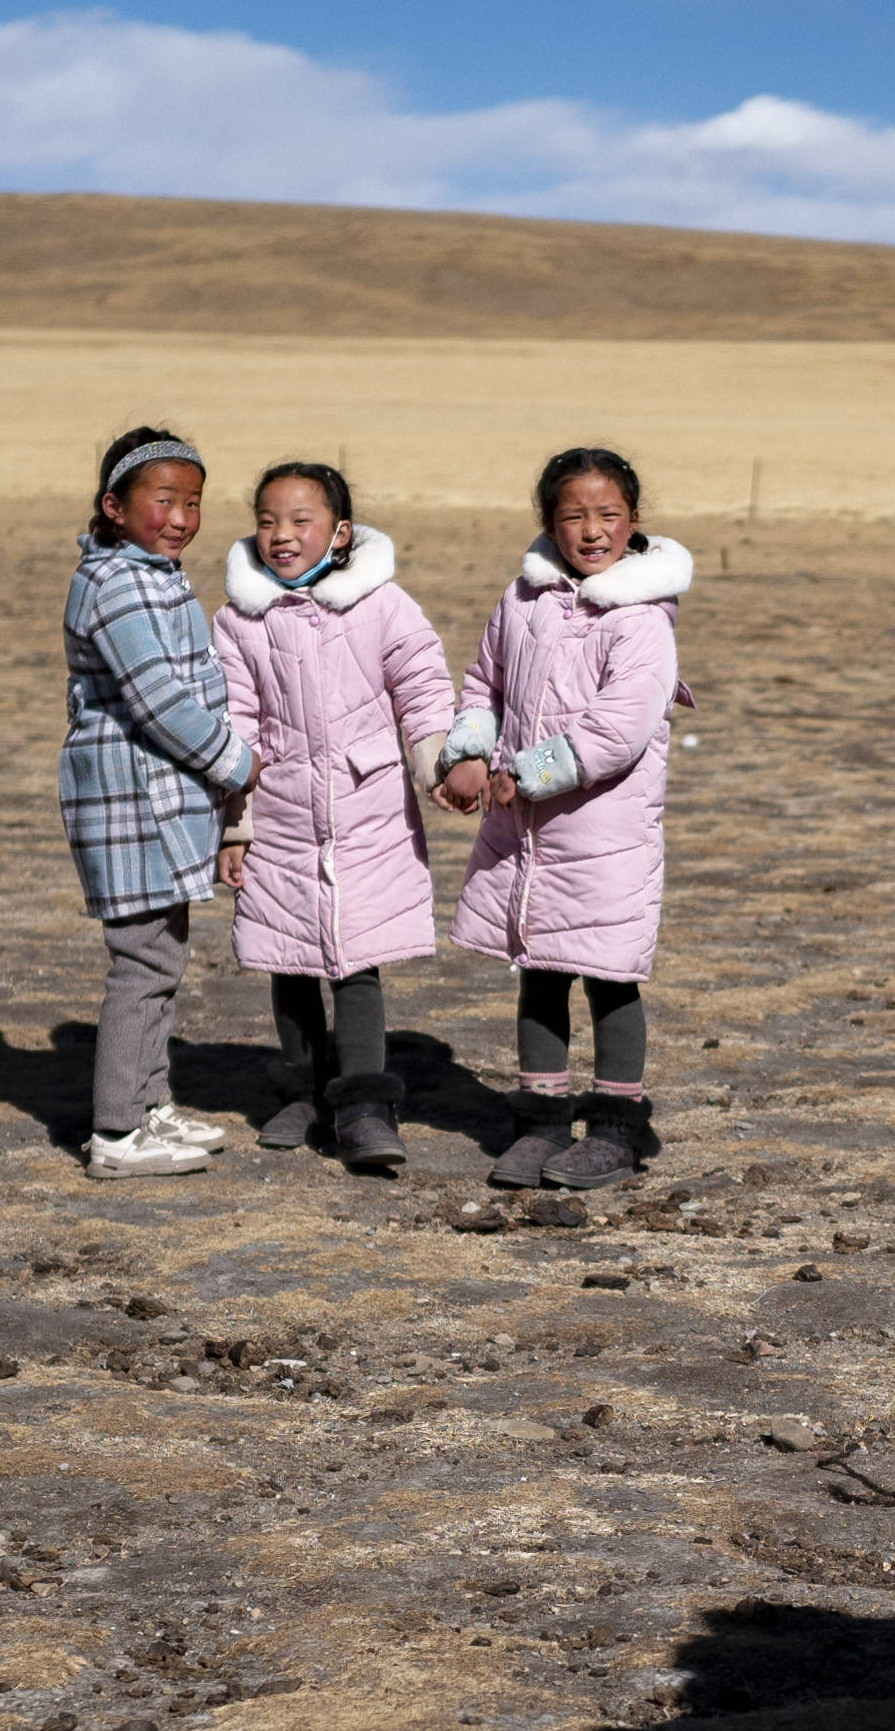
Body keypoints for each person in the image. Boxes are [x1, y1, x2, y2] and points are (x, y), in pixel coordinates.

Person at [436, 444, 693, 1188]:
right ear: (548, 521)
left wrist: (526, 773)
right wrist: (469, 752)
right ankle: (541, 1122)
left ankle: (616, 1129)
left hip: (603, 834)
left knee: (609, 975)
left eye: (607, 515)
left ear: (633, 521)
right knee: (538, 971)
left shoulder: (641, 621)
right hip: (525, 837)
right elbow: (483, 683)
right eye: (573, 515)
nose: (590, 530)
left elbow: (616, 732)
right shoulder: (522, 601)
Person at [210, 459, 456, 1173]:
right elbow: (235, 725)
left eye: (300, 521)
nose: (280, 536)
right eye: (265, 521)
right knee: (285, 955)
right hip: (280, 810)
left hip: (369, 809)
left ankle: (364, 1104)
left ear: (340, 532)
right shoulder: (239, 621)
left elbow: (423, 687)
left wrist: (437, 766)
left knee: (356, 959)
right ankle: (301, 1088)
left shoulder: (382, 605)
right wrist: (234, 824)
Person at [56, 424, 248, 1179]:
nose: (180, 517)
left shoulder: (154, 576)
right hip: (125, 796)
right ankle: (115, 1133)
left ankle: (149, 1105)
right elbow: (158, 699)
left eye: (193, 502)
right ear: (112, 505)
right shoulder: (112, 585)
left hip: (161, 798)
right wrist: (238, 764)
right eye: (163, 500)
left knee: (163, 955)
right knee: (141, 963)